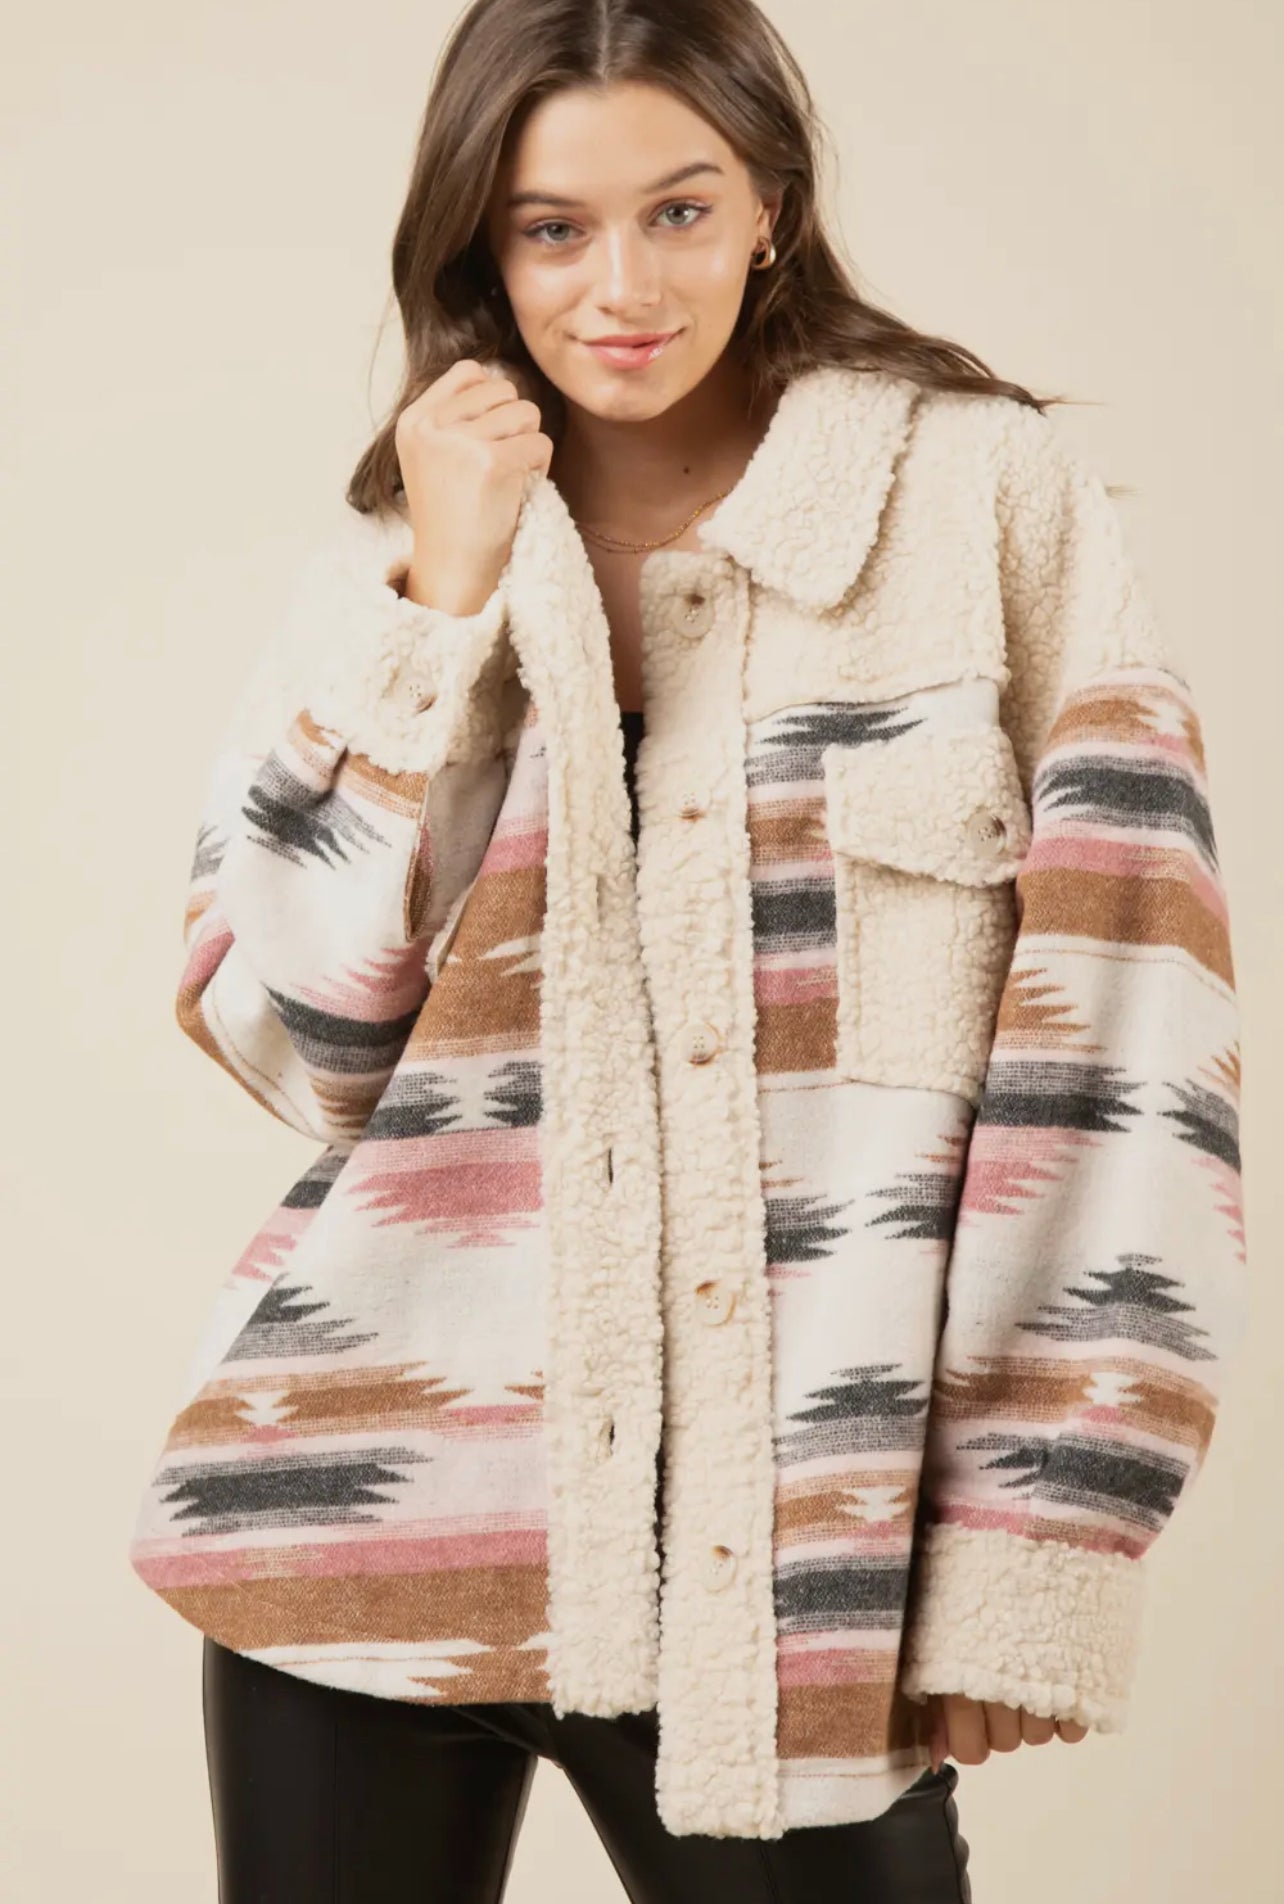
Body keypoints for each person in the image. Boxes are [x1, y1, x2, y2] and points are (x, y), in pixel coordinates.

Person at [128, 1, 1248, 1898]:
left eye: (679, 210)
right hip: (354, 1543)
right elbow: (300, 1039)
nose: (622, 288)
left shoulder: (981, 503)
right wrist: (445, 599)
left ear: (771, 210)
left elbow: (1132, 1027)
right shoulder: (406, 556)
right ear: (484, 249)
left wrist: (1042, 1524)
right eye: (552, 230)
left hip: (793, 1561)